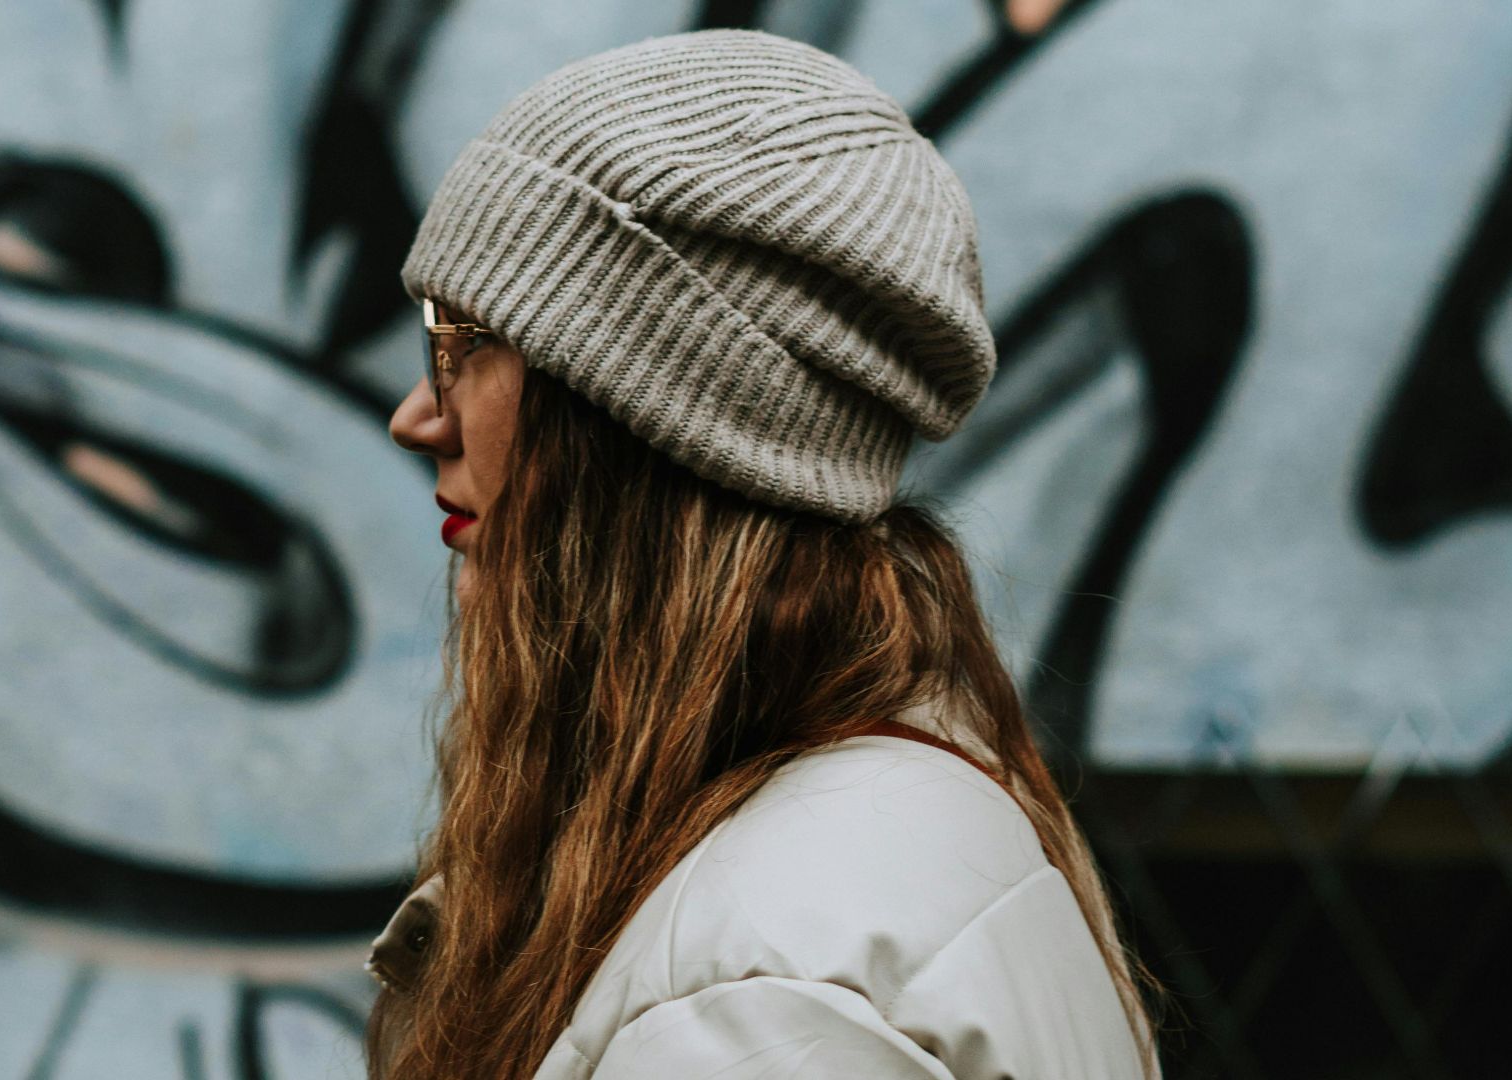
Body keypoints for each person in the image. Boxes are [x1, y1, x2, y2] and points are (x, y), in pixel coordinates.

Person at [372, 28, 1161, 1080]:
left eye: (468, 342)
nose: (417, 414)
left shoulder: (759, 1000)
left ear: (646, 414)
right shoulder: (857, 841)